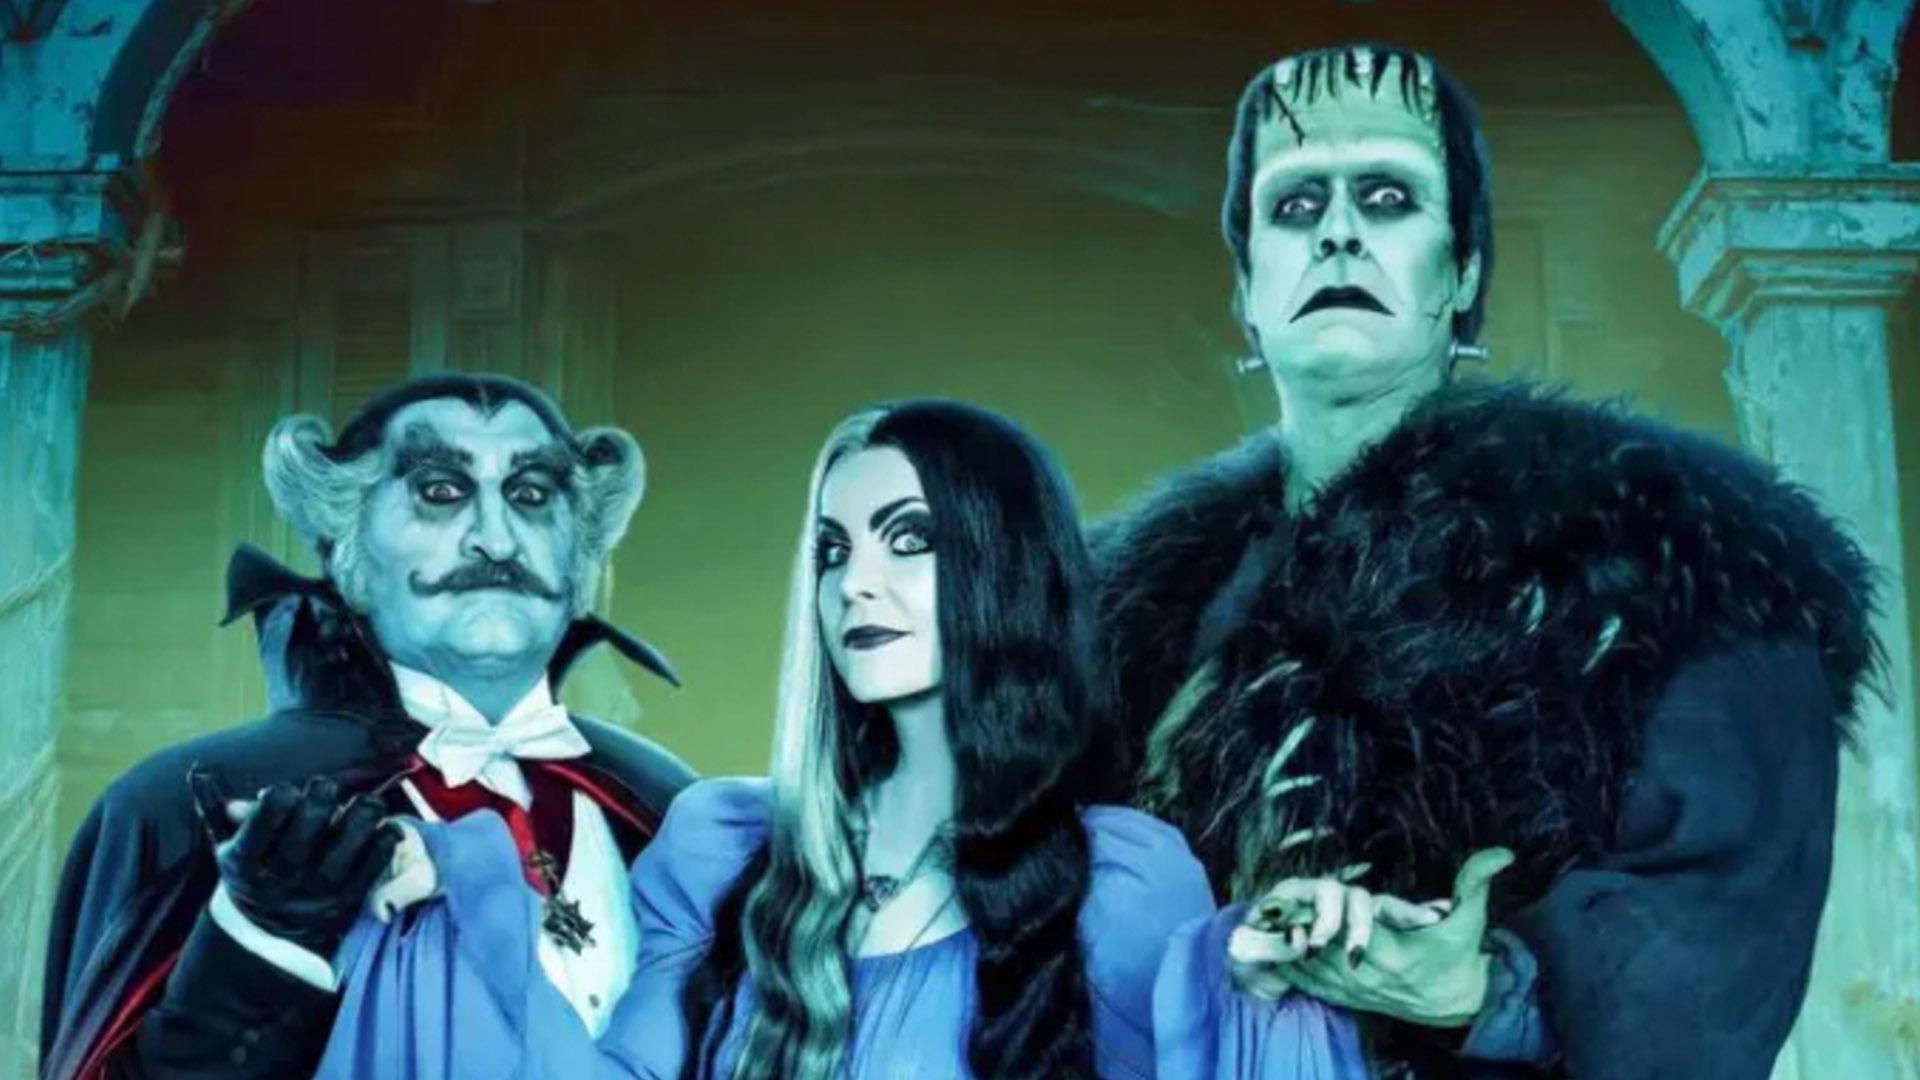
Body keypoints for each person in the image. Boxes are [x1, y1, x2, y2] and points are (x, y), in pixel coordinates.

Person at [1092, 45, 1877, 1077]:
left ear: (1461, 270)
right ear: (1246, 289)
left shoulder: (1661, 554)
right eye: (1295, 205)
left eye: (1387, 196)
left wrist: (1489, 989)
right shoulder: (1108, 611)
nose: (1337, 232)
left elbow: (1728, 892)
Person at [347, 399, 1375, 1079]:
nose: (854, 586)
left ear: (1004, 568)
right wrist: (466, 890)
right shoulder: (724, 851)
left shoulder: (1120, 880)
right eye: (833, 551)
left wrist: (1263, 979)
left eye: (909, 539)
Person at [40, 374, 695, 1079]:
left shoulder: (664, 802)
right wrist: (259, 945)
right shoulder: (181, 802)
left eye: (532, 494)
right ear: (344, 539)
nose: (496, 540)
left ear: (583, 550)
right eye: (440, 491)